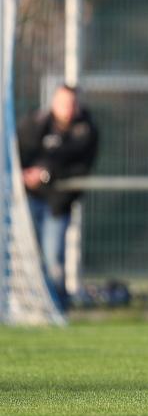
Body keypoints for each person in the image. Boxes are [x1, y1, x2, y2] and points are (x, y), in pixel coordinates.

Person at [17, 85, 99, 309]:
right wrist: (24, 173)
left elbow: (73, 163)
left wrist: (44, 173)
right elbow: (21, 151)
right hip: (30, 199)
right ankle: (28, 305)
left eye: (72, 103)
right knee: (27, 255)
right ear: (53, 102)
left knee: (54, 258)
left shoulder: (85, 131)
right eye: (63, 102)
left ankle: (56, 308)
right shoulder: (36, 123)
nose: (67, 108)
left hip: (58, 204)